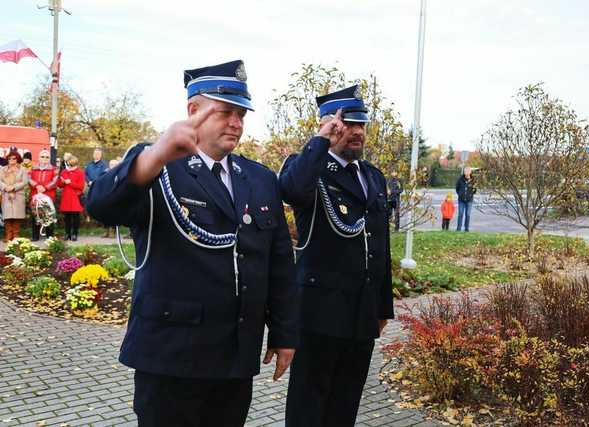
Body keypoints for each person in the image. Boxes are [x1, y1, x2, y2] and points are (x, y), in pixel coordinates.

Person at [86, 60, 298, 427]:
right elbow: (101, 206)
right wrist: (155, 155)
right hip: (171, 357)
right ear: (193, 111)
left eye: (242, 114)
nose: (236, 123)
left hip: (235, 356)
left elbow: (278, 264)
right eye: (225, 112)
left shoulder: (259, 178)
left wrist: (284, 333)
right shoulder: (158, 164)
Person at [279, 85, 394, 427]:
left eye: (361, 124)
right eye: (348, 124)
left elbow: (380, 245)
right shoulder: (307, 167)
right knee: (309, 406)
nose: (357, 131)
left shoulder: (372, 175)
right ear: (329, 125)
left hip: (362, 311)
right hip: (320, 314)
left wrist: (382, 305)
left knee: (345, 403)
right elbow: (292, 190)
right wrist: (320, 142)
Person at [29, 149, 58, 240]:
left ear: (49, 158)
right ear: (39, 158)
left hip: (48, 196)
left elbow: (55, 181)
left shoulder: (54, 169)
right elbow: (28, 178)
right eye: (42, 156)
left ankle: (50, 236)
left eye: (47, 157)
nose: (44, 158)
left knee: (49, 216)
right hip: (35, 195)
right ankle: (35, 236)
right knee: (35, 215)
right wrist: (37, 186)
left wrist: (45, 187)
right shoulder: (33, 168)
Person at [0, 150, 28, 241]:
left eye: (14, 158)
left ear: (17, 159)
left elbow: (25, 182)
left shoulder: (22, 169)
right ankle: (8, 235)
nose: (11, 160)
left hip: (18, 195)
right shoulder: (2, 169)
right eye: (9, 158)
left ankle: (16, 235)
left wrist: (13, 187)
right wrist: (5, 187)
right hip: (6, 195)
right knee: (7, 216)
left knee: (17, 216)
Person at [58, 155, 85, 241]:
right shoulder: (64, 172)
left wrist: (70, 182)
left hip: (75, 198)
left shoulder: (80, 172)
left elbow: (81, 186)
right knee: (67, 217)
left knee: (75, 217)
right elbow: (59, 185)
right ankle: (67, 233)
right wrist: (62, 182)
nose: (69, 165)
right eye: (69, 163)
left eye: (71, 164)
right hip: (66, 197)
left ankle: (74, 234)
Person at [455, 167, 475, 232]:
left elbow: (475, 189)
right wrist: (460, 194)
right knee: (460, 214)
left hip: (469, 200)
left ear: (470, 172)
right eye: (465, 171)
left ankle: (466, 228)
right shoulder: (460, 179)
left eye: (467, 171)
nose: (466, 173)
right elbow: (457, 188)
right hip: (461, 200)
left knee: (468, 214)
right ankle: (458, 228)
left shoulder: (473, 180)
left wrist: (470, 194)